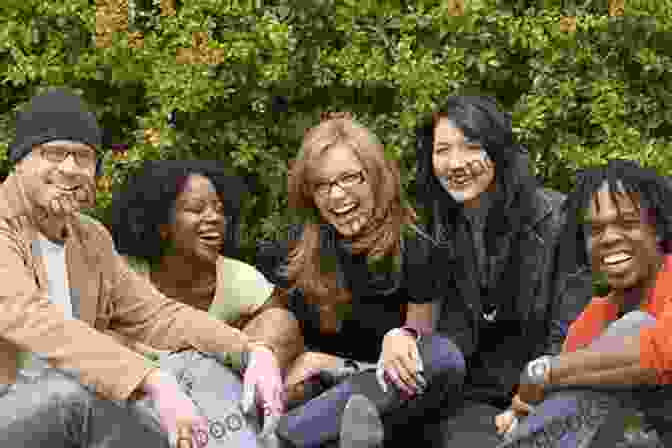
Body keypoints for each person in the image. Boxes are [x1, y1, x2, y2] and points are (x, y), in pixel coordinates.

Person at [0, 88, 284, 448]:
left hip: (83, 404)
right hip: (14, 407)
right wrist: (152, 380)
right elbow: (30, 318)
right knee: (74, 394)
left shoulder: (89, 237)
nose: (70, 169)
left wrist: (251, 351)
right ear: (19, 160)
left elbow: (157, 315)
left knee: (197, 366)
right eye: (53, 154)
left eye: (83, 157)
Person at [259, 112, 465, 448]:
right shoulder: (290, 251)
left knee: (442, 357)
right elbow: (280, 342)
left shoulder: (417, 249)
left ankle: (284, 441)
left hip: (383, 397)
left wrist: (396, 338)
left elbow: (413, 364)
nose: (337, 196)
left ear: (375, 178)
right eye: (322, 185)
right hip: (313, 401)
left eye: (349, 178)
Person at [412, 96, 593, 445]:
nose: (455, 163)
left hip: (547, 390)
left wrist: (528, 403)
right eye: (442, 150)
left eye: (471, 147)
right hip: (471, 399)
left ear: (498, 151)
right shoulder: (436, 229)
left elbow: (571, 334)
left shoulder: (557, 220)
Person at [494, 160, 672, 447]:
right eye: (595, 230)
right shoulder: (596, 315)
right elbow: (559, 393)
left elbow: (656, 356)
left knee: (633, 329)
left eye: (627, 223)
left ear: (658, 230)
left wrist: (543, 371)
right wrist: (521, 409)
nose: (610, 238)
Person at [108, 159, 303, 370]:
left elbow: (285, 336)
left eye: (219, 209)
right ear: (161, 223)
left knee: (279, 320)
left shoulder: (241, 279)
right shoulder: (124, 272)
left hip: (221, 391)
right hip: (142, 388)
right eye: (196, 209)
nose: (215, 218)